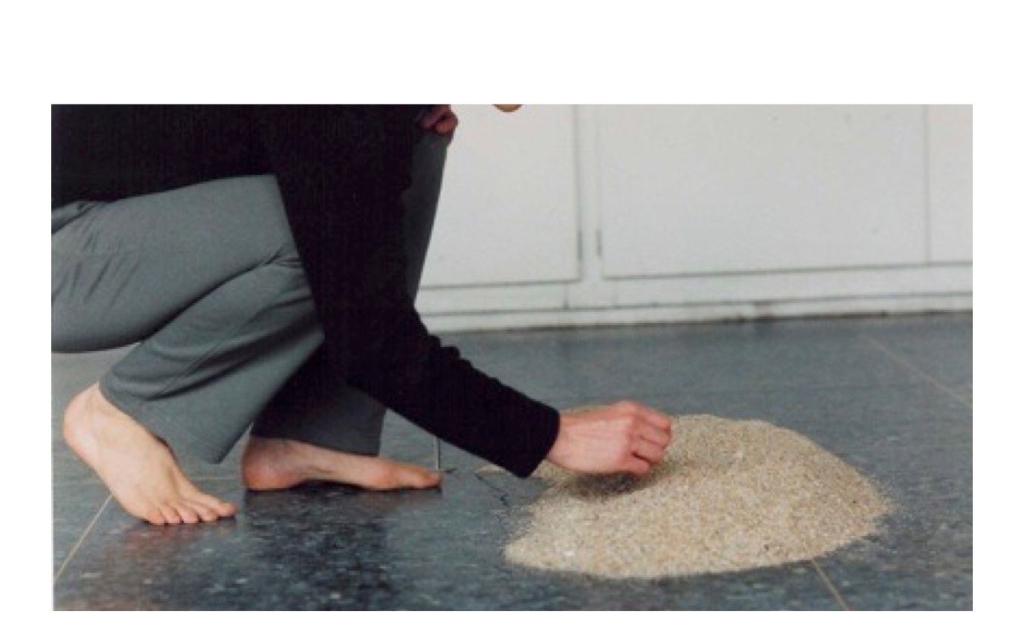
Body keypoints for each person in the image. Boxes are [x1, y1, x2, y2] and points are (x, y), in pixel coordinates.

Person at [52, 105, 674, 526]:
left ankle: (313, 433)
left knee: (411, 144)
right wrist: (552, 436)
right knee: (326, 236)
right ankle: (123, 409)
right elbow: (372, 337)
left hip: (106, 224)